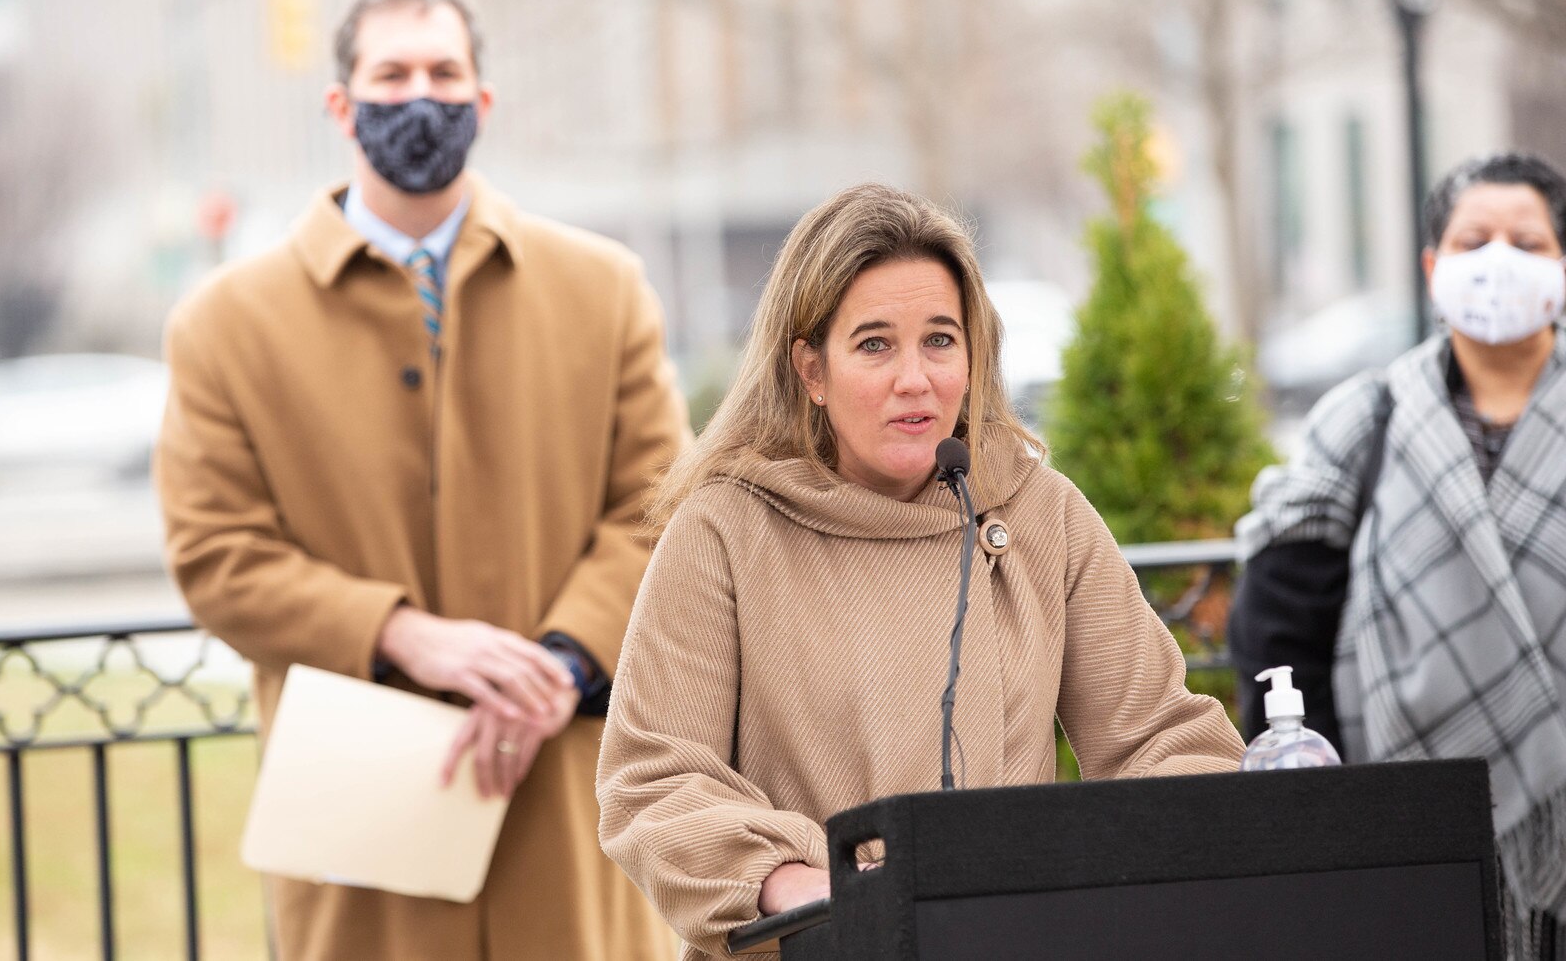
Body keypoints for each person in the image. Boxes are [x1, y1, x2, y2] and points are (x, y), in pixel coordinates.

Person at [154, 0, 688, 961]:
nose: (419, 95)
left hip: (565, 786)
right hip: (358, 812)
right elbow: (217, 555)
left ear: (482, 101)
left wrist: (555, 671)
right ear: (340, 103)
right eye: (390, 73)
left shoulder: (603, 288)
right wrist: (405, 634)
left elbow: (660, 508)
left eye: (444, 71)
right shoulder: (225, 325)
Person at [595, 183, 1245, 960]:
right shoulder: (725, 530)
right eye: (874, 344)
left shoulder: (1040, 511)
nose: (916, 378)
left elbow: (1161, 738)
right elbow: (654, 778)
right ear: (811, 369)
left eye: (940, 340)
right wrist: (794, 880)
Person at [1234, 152, 1566, 958]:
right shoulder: (1363, 420)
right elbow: (1281, 619)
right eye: (1473, 240)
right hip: (1407, 831)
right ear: (1431, 265)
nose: (1497, 262)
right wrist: (1325, 813)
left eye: (1526, 242)